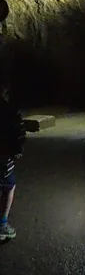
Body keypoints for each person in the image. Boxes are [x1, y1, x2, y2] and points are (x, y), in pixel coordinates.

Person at [0, 81, 26, 241]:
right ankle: (2, 225)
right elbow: (19, 132)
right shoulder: (9, 110)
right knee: (8, 185)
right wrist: (17, 151)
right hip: (3, 156)